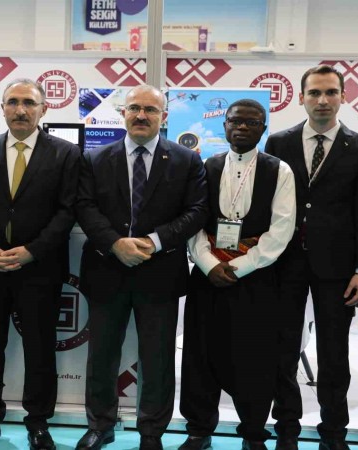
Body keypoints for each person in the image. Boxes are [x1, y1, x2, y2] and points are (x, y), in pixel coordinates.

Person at [75, 85, 208, 450]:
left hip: (159, 272)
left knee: (158, 358)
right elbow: (84, 206)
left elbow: (197, 210)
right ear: (123, 113)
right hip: (107, 268)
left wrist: (154, 241)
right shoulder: (94, 159)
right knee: (102, 355)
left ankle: (152, 431)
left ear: (163, 117)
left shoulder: (186, 160)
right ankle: (100, 425)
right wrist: (115, 243)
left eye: (150, 109)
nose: (141, 115)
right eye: (134, 108)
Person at [0, 78, 80, 450]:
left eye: (29, 103)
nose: (20, 110)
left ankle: (38, 422)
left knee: (40, 348)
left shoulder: (65, 154)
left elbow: (67, 211)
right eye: (13, 102)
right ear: (2, 108)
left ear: (44, 109)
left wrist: (32, 251)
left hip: (40, 269)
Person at [265, 64, 358, 450]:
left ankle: (334, 431)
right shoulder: (278, 142)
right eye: (314, 92)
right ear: (301, 98)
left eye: (331, 92)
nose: (323, 100)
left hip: (338, 268)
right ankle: (286, 427)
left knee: (334, 352)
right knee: (283, 348)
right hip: (284, 263)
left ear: (343, 96)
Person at [179, 99, 296, 450]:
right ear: (224, 125)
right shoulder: (206, 166)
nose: (242, 127)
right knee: (200, 355)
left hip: (256, 278)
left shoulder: (280, 171)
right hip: (208, 277)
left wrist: (240, 266)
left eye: (251, 122)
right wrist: (208, 264)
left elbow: (282, 229)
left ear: (263, 129)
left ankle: (253, 432)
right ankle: (199, 430)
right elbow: (194, 221)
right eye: (235, 121)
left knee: (254, 356)